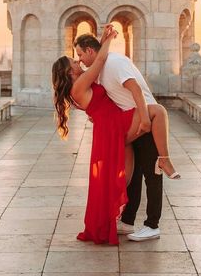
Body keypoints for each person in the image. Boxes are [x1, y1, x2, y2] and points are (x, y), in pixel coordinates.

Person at [51, 26, 176, 245]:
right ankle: (165, 161)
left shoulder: (85, 82)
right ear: (68, 72)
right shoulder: (80, 84)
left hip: (110, 126)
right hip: (113, 126)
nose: (78, 61)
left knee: (123, 177)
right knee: (157, 111)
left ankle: (122, 220)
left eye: (79, 55)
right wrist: (108, 40)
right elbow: (98, 61)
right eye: (75, 60)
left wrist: (101, 42)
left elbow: (97, 62)